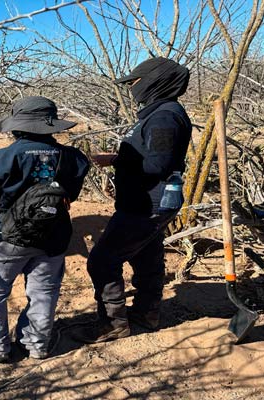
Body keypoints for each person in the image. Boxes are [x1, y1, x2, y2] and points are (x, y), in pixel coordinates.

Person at [73, 57, 192, 343]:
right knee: (146, 255)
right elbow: (152, 158)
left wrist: (121, 162)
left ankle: (113, 324)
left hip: (146, 203)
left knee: (101, 261)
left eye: (135, 82)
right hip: (151, 200)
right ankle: (147, 314)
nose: (132, 88)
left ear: (155, 81)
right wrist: (116, 158)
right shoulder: (160, 113)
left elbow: (158, 165)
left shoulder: (164, 116)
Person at [0, 96, 90, 362]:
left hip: (4, 237)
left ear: (17, 126)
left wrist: (1, 219)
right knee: (43, 294)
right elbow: (71, 195)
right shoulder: (74, 158)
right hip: (54, 236)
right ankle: (36, 345)